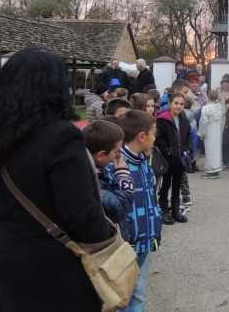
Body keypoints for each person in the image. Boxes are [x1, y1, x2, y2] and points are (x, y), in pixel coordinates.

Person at [0, 48, 114, 311]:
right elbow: (82, 213)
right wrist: (107, 238)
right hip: (58, 260)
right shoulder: (61, 136)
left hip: (11, 250)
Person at [110, 111, 161, 311]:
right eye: (153, 133)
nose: (155, 138)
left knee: (139, 295)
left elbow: (150, 199)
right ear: (142, 136)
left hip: (145, 239)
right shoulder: (117, 165)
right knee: (120, 294)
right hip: (125, 243)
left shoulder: (144, 161)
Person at [83, 121, 134, 242]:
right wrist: (123, 174)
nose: (119, 155)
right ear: (100, 155)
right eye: (116, 151)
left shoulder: (93, 169)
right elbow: (118, 208)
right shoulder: (90, 178)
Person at [155, 93, 192, 225]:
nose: (179, 106)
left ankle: (175, 210)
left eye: (181, 104)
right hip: (168, 158)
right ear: (170, 103)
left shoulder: (183, 118)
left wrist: (188, 148)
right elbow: (157, 138)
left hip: (180, 158)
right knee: (165, 184)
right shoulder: (162, 119)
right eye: (176, 103)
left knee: (177, 184)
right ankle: (165, 210)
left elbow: (188, 134)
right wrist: (168, 150)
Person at [198, 90, 225, 179]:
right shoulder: (221, 107)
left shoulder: (206, 108)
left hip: (210, 131)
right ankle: (216, 170)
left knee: (210, 150)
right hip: (218, 131)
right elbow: (223, 120)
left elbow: (203, 122)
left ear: (208, 97)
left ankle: (211, 171)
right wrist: (221, 130)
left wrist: (202, 133)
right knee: (217, 150)